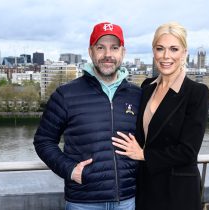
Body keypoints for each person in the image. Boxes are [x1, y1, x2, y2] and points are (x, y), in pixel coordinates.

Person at [33, 22, 141, 210]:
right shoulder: (66, 94)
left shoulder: (137, 95)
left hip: (127, 199)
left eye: (114, 48)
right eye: (101, 47)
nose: (108, 54)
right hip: (83, 202)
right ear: (91, 52)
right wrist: (70, 169)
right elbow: (43, 141)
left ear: (123, 53)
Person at [112, 22, 209, 210]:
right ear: (153, 52)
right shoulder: (147, 86)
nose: (166, 56)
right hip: (145, 186)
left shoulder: (196, 93)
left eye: (174, 49)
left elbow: (188, 152)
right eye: (160, 49)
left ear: (184, 53)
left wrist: (143, 154)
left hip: (177, 192)